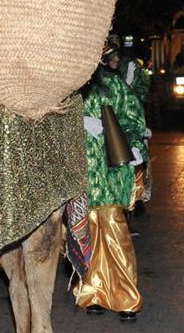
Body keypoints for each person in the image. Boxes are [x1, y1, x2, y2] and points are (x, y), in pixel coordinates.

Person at [75, 42, 146, 321]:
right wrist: (78, 122)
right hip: (82, 176)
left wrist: (135, 145)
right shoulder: (73, 89)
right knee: (87, 233)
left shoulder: (115, 86)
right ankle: (93, 292)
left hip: (111, 173)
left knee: (115, 233)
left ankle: (126, 296)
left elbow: (133, 119)